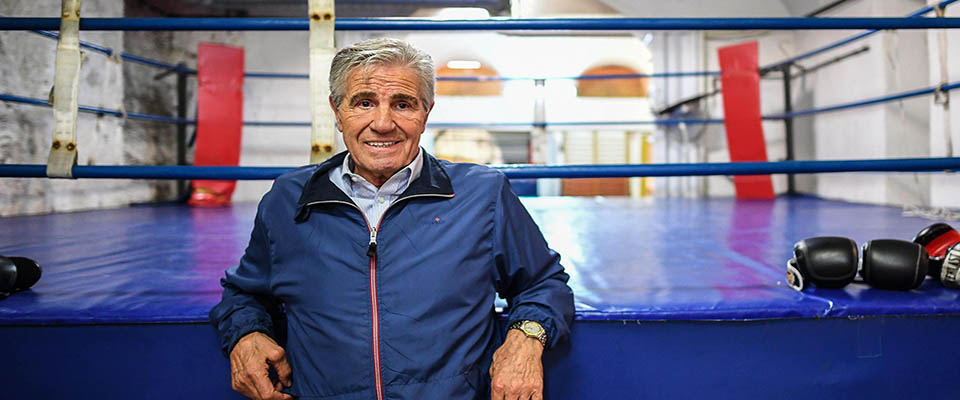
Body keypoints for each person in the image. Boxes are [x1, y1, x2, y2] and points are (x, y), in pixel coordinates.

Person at [210, 38, 574, 400]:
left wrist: (526, 338)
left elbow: (544, 283)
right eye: (364, 103)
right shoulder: (288, 199)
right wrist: (246, 334)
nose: (383, 123)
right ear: (337, 112)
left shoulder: (482, 195)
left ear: (426, 113)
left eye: (402, 104)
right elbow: (244, 293)